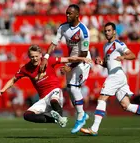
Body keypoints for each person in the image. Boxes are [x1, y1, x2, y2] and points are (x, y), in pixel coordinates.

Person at [80, 22, 140, 136]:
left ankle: (94, 128)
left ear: (114, 31)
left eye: (109, 30)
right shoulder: (105, 46)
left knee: (101, 98)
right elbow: (108, 64)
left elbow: (132, 55)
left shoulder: (118, 44)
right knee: (126, 105)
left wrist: (123, 57)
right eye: (106, 31)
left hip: (116, 75)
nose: (107, 32)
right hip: (117, 76)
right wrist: (101, 63)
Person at [0, 45, 91, 127]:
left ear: (41, 55)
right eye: (32, 57)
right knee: (27, 115)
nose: (34, 58)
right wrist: (3, 89)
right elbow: (14, 79)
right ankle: (55, 119)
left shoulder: (49, 61)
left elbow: (67, 59)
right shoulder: (26, 68)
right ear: (29, 56)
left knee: (53, 100)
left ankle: (60, 115)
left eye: (36, 56)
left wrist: (82, 59)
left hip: (55, 91)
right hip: (43, 99)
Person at [39, 4, 91, 133]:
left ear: (77, 15)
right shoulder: (63, 27)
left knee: (73, 87)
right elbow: (53, 43)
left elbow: (83, 54)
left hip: (82, 61)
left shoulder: (84, 31)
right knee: (70, 89)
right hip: (70, 60)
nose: (67, 15)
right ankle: (82, 114)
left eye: (70, 13)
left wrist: (70, 66)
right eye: (66, 13)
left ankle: (80, 116)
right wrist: (46, 56)